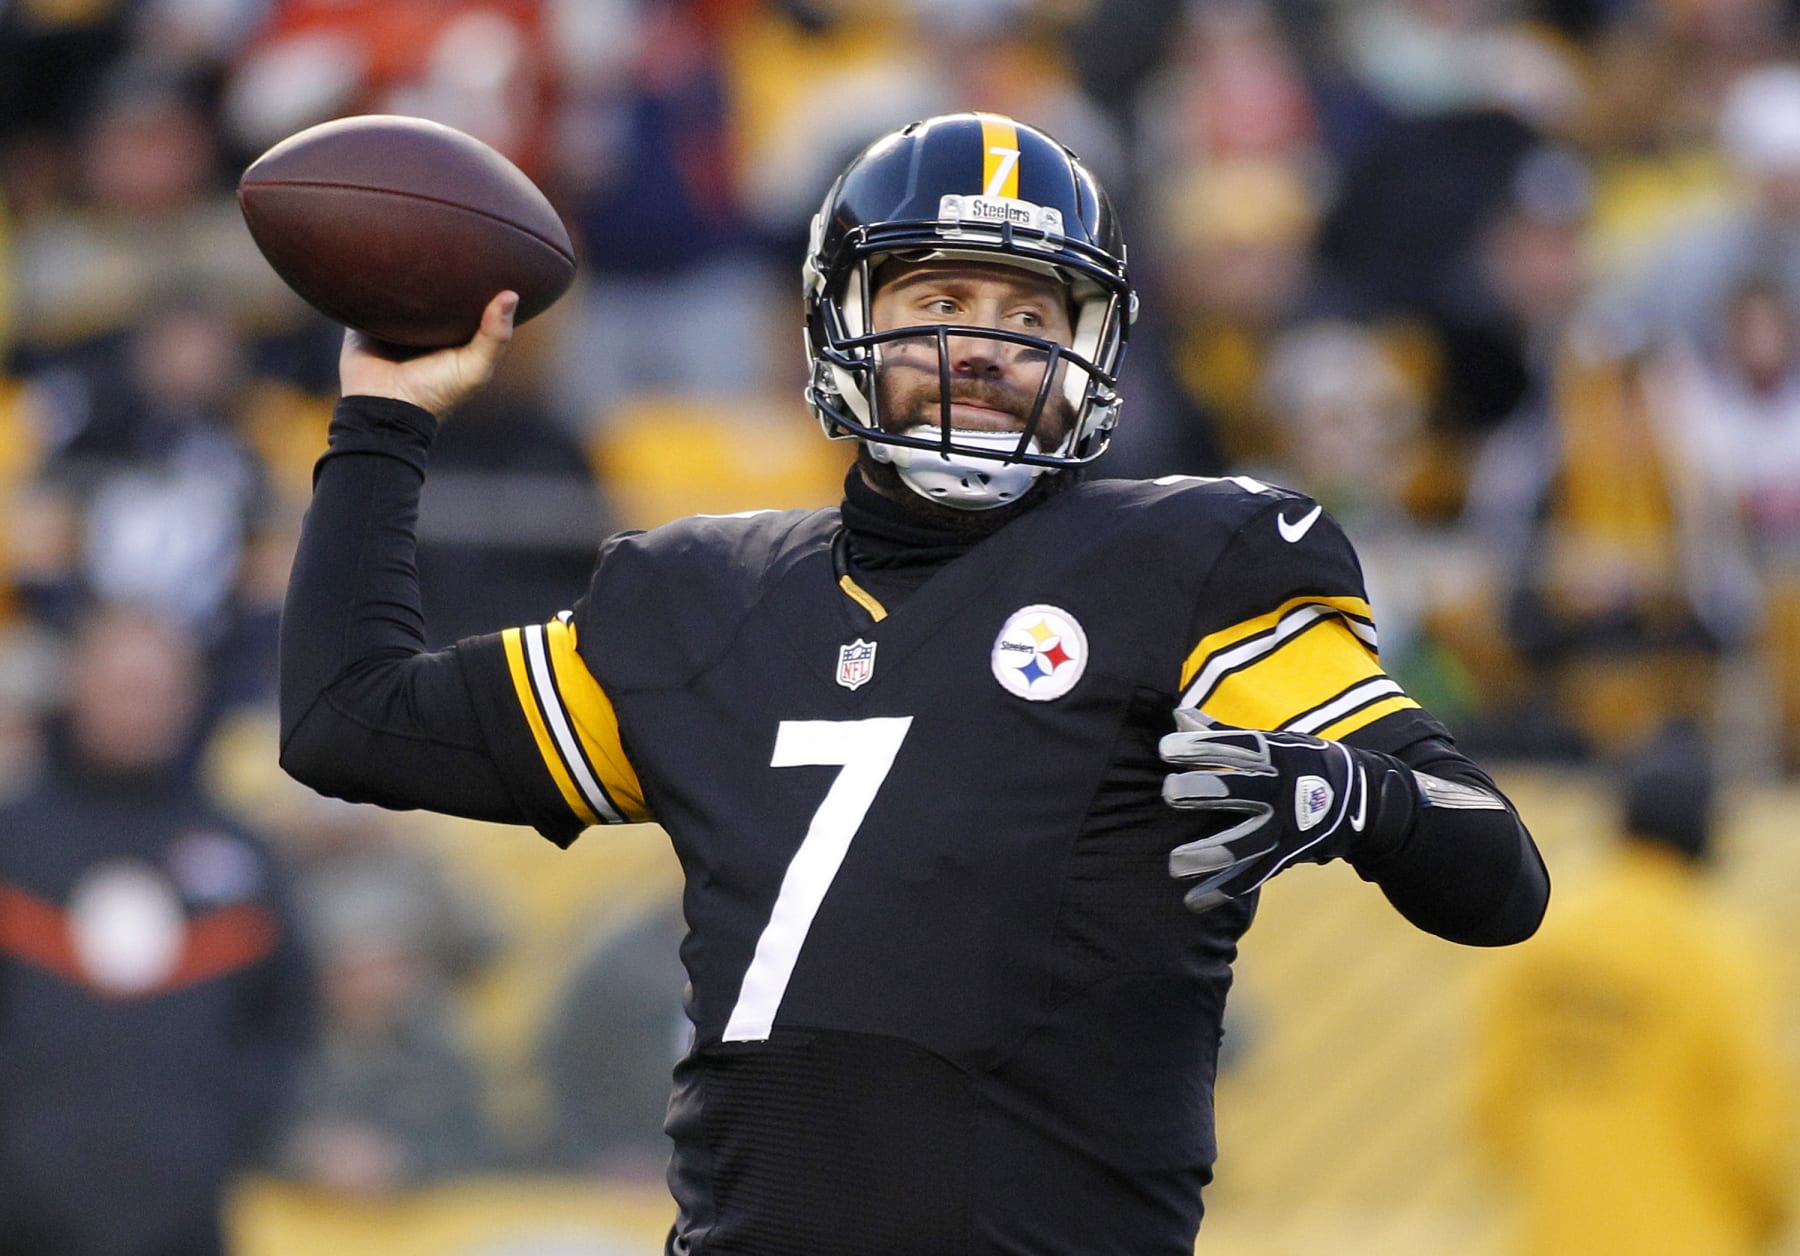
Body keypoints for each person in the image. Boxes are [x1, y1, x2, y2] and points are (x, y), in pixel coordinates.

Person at [279, 112, 1550, 1255]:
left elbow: (1501, 875)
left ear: (1091, 350)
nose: (986, 347)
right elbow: (350, 722)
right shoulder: (703, 595)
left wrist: (1348, 796)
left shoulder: (1194, 562)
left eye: (1031, 316)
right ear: (845, 321)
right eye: (940, 299)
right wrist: (387, 415)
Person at [0, 601, 314, 1256]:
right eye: (121, 685)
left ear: (189, 699)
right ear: (77, 687)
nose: (138, 706)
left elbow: (287, 1019)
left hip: (186, 1215)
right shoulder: (12, 844)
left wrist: (226, 1131)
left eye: (155, 689)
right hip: (21, 1212)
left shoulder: (241, 856)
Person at [1474, 719, 1792, 1256]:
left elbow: (1496, 1109)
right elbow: (1755, 1126)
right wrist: (1768, 1216)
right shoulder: (1718, 952)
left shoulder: (1546, 941)